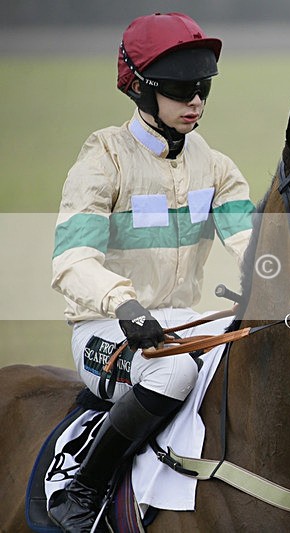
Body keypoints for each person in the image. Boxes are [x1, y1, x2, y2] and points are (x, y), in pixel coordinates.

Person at [49, 12, 254, 531]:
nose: (196, 103)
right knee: (176, 371)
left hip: (184, 320)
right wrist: (125, 305)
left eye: (202, 88)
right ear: (141, 89)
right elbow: (71, 261)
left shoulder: (216, 166)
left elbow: (251, 243)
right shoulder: (103, 160)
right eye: (182, 89)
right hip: (108, 329)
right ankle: (85, 488)